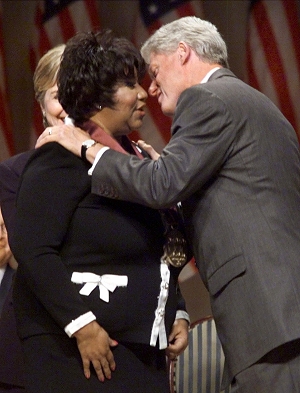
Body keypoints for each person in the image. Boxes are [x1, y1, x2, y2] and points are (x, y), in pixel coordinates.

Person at [37, 16, 300, 393]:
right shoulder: (255, 103)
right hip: (280, 310)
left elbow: (162, 185)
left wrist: (86, 147)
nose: (152, 88)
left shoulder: (207, 98)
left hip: (267, 316)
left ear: (183, 53)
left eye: (155, 72)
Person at [10, 30, 189, 393]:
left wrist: (176, 310)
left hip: (143, 351)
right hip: (81, 355)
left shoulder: (136, 160)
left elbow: (157, 249)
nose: (143, 94)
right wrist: (81, 325)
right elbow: (32, 248)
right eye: (128, 84)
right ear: (94, 96)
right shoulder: (59, 157)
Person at [0, 44, 66, 393]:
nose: (67, 105)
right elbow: (28, 251)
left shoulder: (120, 165)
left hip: (112, 341)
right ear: (42, 105)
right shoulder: (14, 173)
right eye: (58, 95)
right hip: (32, 341)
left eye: (77, 92)